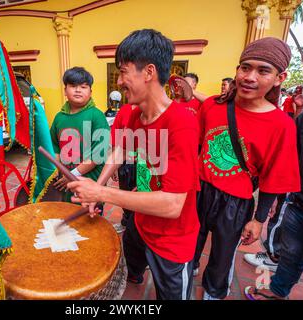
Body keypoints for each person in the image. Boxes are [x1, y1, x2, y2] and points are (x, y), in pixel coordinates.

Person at [67, 29, 200, 300]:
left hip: (172, 240)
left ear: (148, 72)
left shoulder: (182, 123)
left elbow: (174, 205)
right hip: (140, 224)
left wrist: (102, 193)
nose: (119, 82)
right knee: (130, 274)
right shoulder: (131, 113)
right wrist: (98, 187)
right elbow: (119, 150)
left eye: (123, 72)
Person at [193, 37, 301, 300]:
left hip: (235, 202)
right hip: (197, 191)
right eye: (245, 67)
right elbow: (194, 148)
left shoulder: (281, 125)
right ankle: (186, 275)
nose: (249, 77)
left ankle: (213, 293)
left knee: (222, 257)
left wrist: (259, 219)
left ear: (279, 78)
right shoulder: (212, 106)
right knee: (188, 246)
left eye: (262, 71)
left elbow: (273, 179)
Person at [245, 98, 303, 300]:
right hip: (299, 208)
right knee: (289, 259)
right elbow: (286, 161)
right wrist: (274, 201)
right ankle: (277, 292)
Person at [50, 67, 110, 203]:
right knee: (68, 214)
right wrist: (56, 171)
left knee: (90, 219)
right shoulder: (59, 117)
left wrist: (72, 174)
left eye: (83, 87)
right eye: (72, 86)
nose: (78, 90)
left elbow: (97, 155)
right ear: (65, 90)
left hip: (90, 182)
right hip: (65, 182)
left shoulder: (97, 116)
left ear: (90, 92)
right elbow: (55, 148)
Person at [110, 103, 137, 227]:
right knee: (125, 191)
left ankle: (136, 225)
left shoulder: (152, 110)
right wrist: (114, 167)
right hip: (124, 161)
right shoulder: (124, 110)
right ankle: (126, 222)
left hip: (145, 163)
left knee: (140, 197)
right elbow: (116, 138)